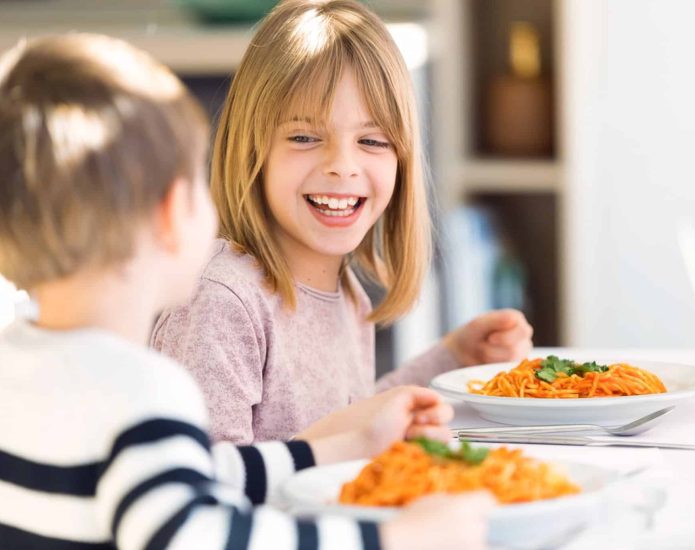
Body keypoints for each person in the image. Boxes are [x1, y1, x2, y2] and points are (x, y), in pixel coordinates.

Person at [0, 33, 494, 550]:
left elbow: (204, 470)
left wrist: (346, 445)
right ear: (175, 213)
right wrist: (389, 540)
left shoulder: (23, 360)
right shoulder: (143, 392)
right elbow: (204, 531)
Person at [152, 0, 534, 444]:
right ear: (253, 152)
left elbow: (345, 418)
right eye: (305, 137)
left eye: (372, 141)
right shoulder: (222, 302)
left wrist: (451, 359)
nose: (342, 165)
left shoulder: (347, 295)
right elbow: (212, 480)